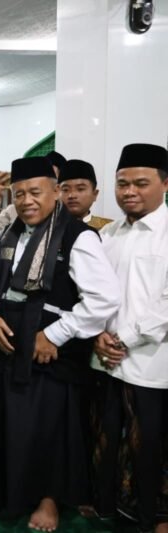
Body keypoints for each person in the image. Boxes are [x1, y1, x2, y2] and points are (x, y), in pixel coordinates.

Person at [0, 156, 120, 532]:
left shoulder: (78, 235)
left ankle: (49, 500)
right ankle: (15, 493)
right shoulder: (8, 231)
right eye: (19, 194)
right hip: (10, 344)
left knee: (50, 427)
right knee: (16, 424)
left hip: (52, 353)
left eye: (35, 192)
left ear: (55, 192)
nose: (27, 201)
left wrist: (53, 335)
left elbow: (104, 299)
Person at [92, 143, 168, 533]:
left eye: (141, 183)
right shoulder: (108, 234)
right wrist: (97, 336)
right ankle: (109, 507)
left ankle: (153, 518)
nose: (129, 192)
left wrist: (121, 338)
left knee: (149, 445)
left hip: (150, 363)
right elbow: (93, 292)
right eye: (122, 183)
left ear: (165, 184)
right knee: (106, 438)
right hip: (105, 360)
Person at [57, 159, 113, 230]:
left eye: (80, 189)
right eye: (65, 190)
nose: (72, 196)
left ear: (95, 194)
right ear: (57, 193)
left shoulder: (110, 228)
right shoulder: (49, 228)